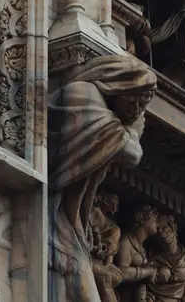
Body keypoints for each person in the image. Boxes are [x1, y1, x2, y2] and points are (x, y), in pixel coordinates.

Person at [48, 55, 157, 301]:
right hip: (53, 216)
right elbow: (132, 153)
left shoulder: (101, 108)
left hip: (67, 219)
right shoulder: (83, 96)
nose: (138, 110)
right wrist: (132, 132)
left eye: (143, 104)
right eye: (136, 100)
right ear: (120, 85)